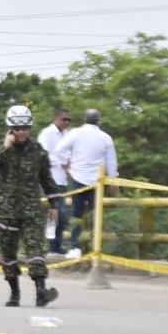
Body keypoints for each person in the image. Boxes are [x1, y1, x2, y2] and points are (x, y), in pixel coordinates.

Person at [0, 105, 60, 308]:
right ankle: (14, 293)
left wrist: (54, 203)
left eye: (26, 128)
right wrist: (4, 148)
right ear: (10, 129)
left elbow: (47, 179)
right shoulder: (1, 148)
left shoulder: (38, 151)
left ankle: (41, 291)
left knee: (36, 250)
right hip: (5, 211)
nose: (22, 132)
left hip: (31, 210)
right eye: (17, 129)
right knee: (8, 255)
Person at [53, 108, 118, 257]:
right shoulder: (105, 137)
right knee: (97, 213)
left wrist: (67, 165)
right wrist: (113, 181)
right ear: (99, 121)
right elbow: (112, 162)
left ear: (84, 119)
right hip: (97, 181)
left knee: (76, 213)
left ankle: (76, 247)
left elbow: (59, 150)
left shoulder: (75, 133)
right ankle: (96, 246)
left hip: (78, 177)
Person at [37, 107, 72, 254]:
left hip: (62, 180)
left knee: (60, 216)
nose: (66, 122)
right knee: (56, 214)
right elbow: (42, 155)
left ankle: (55, 246)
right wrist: (62, 162)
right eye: (64, 119)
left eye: (69, 120)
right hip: (49, 179)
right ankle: (52, 246)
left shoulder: (67, 134)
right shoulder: (47, 134)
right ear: (55, 119)